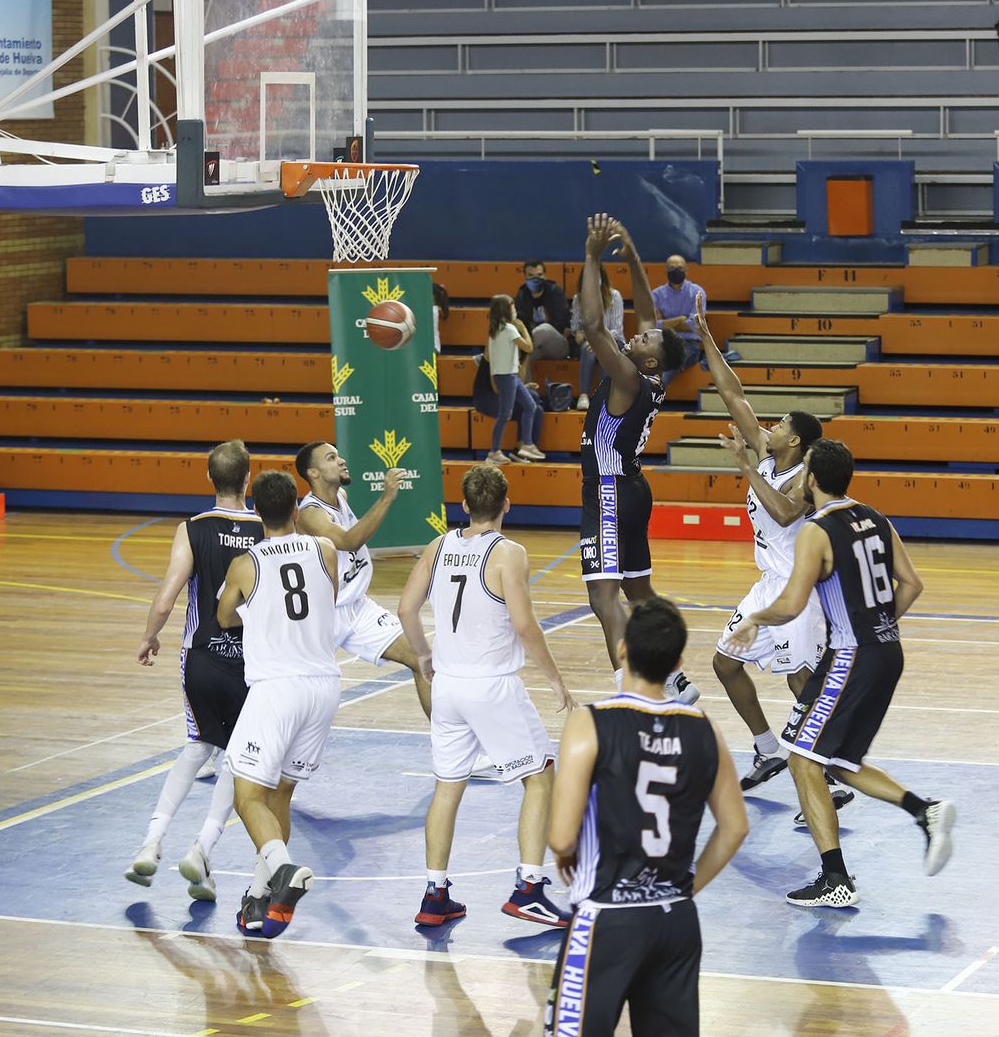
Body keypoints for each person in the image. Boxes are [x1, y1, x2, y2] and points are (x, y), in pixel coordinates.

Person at [726, 438, 956, 907]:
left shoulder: (817, 529)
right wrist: (881, 625)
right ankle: (924, 810)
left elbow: (791, 604)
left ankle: (836, 879)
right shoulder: (875, 517)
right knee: (837, 761)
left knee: (801, 758)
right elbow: (912, 583)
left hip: (851, 656)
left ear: (811, 479)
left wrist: (753, 619)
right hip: (886, 652)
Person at [545, 597, 748, 1037]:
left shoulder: (590, 722)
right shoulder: (704, 727)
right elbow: (734, 827)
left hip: (606, 916)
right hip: (675, 920)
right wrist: (686, 886)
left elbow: (561, 839)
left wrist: (566, 851)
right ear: (676, 661)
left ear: (622, 650)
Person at [396, 464, 576, 930]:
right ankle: (529, 890)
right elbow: (523, 625)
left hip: (449, 686)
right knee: (539, 778)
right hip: (492, 686)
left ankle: (435, 894)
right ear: (507, 504)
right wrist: (556, 680)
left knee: (447, 786)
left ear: (464, 506)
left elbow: (405, 607)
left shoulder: (439, 546)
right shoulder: (508, 553)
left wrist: (422, 655)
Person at [692, 296, 829, 792]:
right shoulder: (770, 457)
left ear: (794, 441)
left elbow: (786, 513)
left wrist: (745, 466)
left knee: (800, 682)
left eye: (780, 427)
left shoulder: (806, 476)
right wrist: (707, 339)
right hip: (766, 583)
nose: (769, 428)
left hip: (796, 588)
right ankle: (768, 750)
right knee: (725, 663)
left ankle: (825, 771)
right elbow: (734, 396)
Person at [125, 440, 262, 900]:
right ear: (249, 479)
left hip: (199, 654)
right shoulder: (268, 529)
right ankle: (202, 850)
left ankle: (151, 841)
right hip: (251, 660)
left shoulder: (191, 528)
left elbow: (166, 599)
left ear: (209, 479)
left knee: (197, 745)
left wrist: (148, 637)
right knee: (239, 756)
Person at [216, 469, 343, 939]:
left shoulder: (246, 564)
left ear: (255, 511)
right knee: (279, 796)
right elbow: (325, 595)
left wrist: (253, 607)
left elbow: (224, 616)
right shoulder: (324, 549)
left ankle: (284, 870)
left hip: (277, 687)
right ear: (296, 508)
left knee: (246, 797)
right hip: (324, 686)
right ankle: (258, 896)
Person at [576, 213, 691, 703]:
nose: (637, 335)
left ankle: (632, 690)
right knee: (640, 594)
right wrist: (635, 254)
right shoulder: (653, 376)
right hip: (634, 489)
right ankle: (677, 676)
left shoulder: (626, 377)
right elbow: (648, 313)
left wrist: (592, 257)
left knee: (604, 596)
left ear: (647, 360)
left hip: (607, 489)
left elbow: (592, 324)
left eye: (643, 341)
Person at [293, 441, 432, 716]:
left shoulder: (340, 496)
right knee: (303, 693)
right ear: (314, 474)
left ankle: (447, 748)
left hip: (356, 606)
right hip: (324, 615)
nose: (341, 460)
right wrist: (387, 497)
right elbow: (348, 541)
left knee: (424, 659)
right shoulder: (310, 514)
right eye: (331, 458)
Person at [483, 294, 546, 465]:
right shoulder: (510, 329)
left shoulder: (494, 330)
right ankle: (494, 451)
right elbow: (529, 347)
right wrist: (523, 328)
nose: (515, 310)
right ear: (505, 310)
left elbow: (491, 357)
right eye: (512, 307)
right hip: (507, 376)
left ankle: (527, 444)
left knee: (530, 406)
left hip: (507, 375)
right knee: (505, 414)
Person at [649, 254, 715, 385]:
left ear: (686, 269)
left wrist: (666, 323)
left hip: (689, 344)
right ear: (666, 270)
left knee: (665, 369)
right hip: (663, 342)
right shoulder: (656, 294)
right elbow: (654, 326)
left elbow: (694, 325)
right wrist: (680, 319)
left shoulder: (697, 292)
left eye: (679, 267)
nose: (676, 271)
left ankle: (650, 400)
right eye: (672, 268)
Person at [571, 259, 625, 413]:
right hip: (590, 342)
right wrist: (580, 333)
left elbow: (616, 329)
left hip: (614, 341)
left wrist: (598, 339)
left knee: (601, 349)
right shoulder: (578, 298)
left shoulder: (614, 296)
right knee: (588, 349)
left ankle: (604, 397)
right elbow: (575, 326)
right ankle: (584, 395)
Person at [514, 259, 573, 363]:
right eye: (531, 275)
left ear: (545, 276)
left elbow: (562, 325)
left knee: (544, 329)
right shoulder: (522, 296)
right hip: (534, 347)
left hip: (558, 345)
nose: (535, 279)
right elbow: (519, 324)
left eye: (539, 275)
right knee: (525, 358)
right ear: (525, 277)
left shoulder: (556, 293)